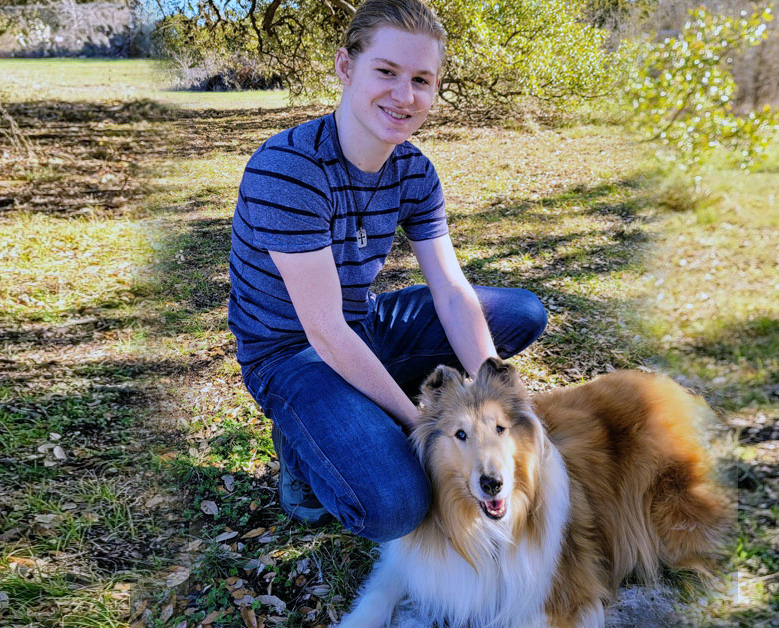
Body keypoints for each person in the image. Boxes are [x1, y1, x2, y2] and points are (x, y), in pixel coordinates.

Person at [227, 0, 547, 543]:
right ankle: (305, 444)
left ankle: (358, 409)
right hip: (288, 351)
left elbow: (450, 288)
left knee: (519, 314)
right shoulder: (289, 170)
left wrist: (502, 401)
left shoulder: (415, 171)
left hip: (364, 323)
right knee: (397, 505)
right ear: (346, 68)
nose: (404, 96)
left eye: (422, 79)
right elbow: (323, 330)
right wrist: (425, 424)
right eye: (387, 72)